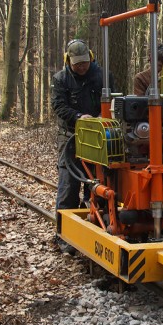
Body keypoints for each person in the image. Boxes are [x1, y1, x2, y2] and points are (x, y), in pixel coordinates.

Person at [51, 39, 113, 254]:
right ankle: (63, 236)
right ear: (69, 61)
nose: (82, 67)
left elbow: (113, 99)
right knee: (68, 184)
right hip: (70, 136)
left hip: (97, 137)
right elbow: (58, 105)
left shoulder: (102, 76)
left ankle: (97, 229)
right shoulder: (61, 79)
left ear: (91, 58)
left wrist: (101, 116)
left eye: (85, 63)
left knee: (97, 184)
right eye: (77, 64)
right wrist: (78, 117)